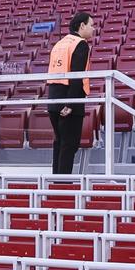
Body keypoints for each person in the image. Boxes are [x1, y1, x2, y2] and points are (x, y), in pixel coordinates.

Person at [46, 12, 95, 175]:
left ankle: (56, 182)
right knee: (69, 145)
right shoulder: (80, 44)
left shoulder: (59, 43)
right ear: (82, 26)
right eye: (91, 25)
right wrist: (71, 104)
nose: (93, 29)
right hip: (69, 100)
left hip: (53, 99)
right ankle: (63, 183)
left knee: (59, 143)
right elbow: (76, 76)